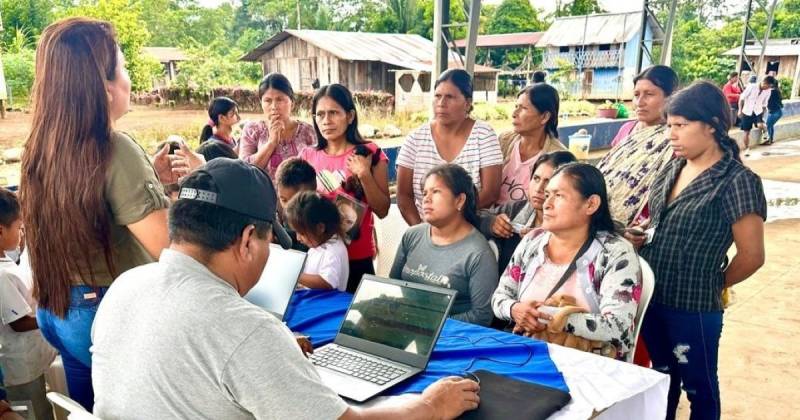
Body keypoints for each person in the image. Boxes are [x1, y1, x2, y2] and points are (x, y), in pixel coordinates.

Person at [91, 158, 480, 420]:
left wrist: (271, 350)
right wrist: (430, 406)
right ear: (248, 240)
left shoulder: (126, 286)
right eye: (270, 241)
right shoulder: (245, 330)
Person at [18, 17, 187, 410]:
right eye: (123, 67)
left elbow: (89, 207)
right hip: (104, 313)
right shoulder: (114, 148)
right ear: (104, 86)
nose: (129, 79)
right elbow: (172, 250)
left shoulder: (41, 146)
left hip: (57, 309)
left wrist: (151, 184)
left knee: (94, 410)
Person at [636, 81, 766, 420]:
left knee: (700, 387)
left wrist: (714, 282)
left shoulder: (737, 181)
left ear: (711, 125)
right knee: (661, 377)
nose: (671, 135)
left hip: (693, 308)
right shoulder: (673, 167)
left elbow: (752, 256)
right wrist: (642, 236)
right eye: (669, 126)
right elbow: (659, 222)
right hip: (653, 297)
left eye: (680, 125)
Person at [491, 163, 642, 361]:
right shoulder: (532, 241)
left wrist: (548, 317)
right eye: (547, 195)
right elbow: (500, 297)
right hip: (530, 356)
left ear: (591, 204)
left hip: (588, 365)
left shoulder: (616, 253)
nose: (547, 204)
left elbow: (618, 327)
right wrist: (514, 309)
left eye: (559, 196)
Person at [300, 84, 390, 293]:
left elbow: (383, 210)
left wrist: (364, 175)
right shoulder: (308, 156)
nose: (326, 120)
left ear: (350, 116)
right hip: (320, 259)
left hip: (358, 258)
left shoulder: (369, 153)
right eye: (320, 114)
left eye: (333, 113)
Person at [390, 164, 499, 326]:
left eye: (436, 192)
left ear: (459, 200)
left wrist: (430, 325)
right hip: (405, 325)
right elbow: (393, 283)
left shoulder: (478, 254)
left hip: (449, 335)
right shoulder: (412, 235)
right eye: (425, 193)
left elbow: (482, 316)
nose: (426, 199)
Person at [397, 69, 502, 225]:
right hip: (425, 228)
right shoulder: (415, 139)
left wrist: (452, 226)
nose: (441, 103)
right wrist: (422, 232)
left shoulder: (483, 134)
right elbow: (404, 197)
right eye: (437, 96)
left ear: (467, 103)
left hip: (472, 228)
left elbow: (491, 193)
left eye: (450, 97)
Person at [598, 65, 679, 226]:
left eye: (649, 94)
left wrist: (649, 223)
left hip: (644, 225)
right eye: (636, 95)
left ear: (670, 98)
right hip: (603, 216)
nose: (640, 102)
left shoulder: (676, 138)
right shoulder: (626, 129)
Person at [0, 190, 56, 420]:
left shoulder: (7, 263)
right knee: (34, 414)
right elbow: (18, 323)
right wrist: (51, 319)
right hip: (21, 369)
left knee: (43, 408)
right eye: (18, 228)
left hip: (32, 361)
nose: (21, 233)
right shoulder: (2, 275)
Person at [478, 151, 576, 273]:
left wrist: (544, 240)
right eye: (536, 178)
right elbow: (473, 218)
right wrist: (490, 223)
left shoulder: (572, 228)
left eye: (548, 182)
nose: (539, 188)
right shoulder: (515, 210)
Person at [496, 84, 567, 206]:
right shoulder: (504, 141)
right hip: (492, 214)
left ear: (544, 117)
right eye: (516, 106)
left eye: (523, 108)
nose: (514, 113)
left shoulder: (559, 157)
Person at [240, 73, 317, 179]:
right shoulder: (252, 130)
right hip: (262, 190)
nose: (274, 107)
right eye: (268, 101)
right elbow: (244, 171)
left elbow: (318, 168)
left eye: (279, 99)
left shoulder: (308, 131)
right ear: (261, 103)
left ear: (292, 102)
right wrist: (271, 143)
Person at [286, 191, 349, 291]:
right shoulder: (320, 243)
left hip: (324, 300)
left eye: (302, 233)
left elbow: (327, 282)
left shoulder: (333, 251)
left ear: (320, 228)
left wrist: (295, 274)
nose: (298, 238)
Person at [275, 157, 318, 252]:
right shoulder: (279, 212)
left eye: (294, 202)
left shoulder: (317, 222)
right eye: (284, 200)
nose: (288, 207)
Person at [738, 75, 770, 157]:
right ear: (764, 83)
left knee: (760, 125)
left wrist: (762, 115)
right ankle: (747, 149)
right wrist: (740, 110)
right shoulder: (752, 87)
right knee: (746, 132)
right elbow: (741, 98)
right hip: (747, 111)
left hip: (758, 111)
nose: (767, 88)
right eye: (767, 86)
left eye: (769, 87)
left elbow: (764, 104)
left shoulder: (768, 91)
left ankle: (765, 134)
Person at [763, 75, 783, 145]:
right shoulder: (777, 91)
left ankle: (769, 140)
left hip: (775, 112)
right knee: (770, 125)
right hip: (776, 111)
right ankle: (770, 139)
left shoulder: (773, 92)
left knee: (768, 124)